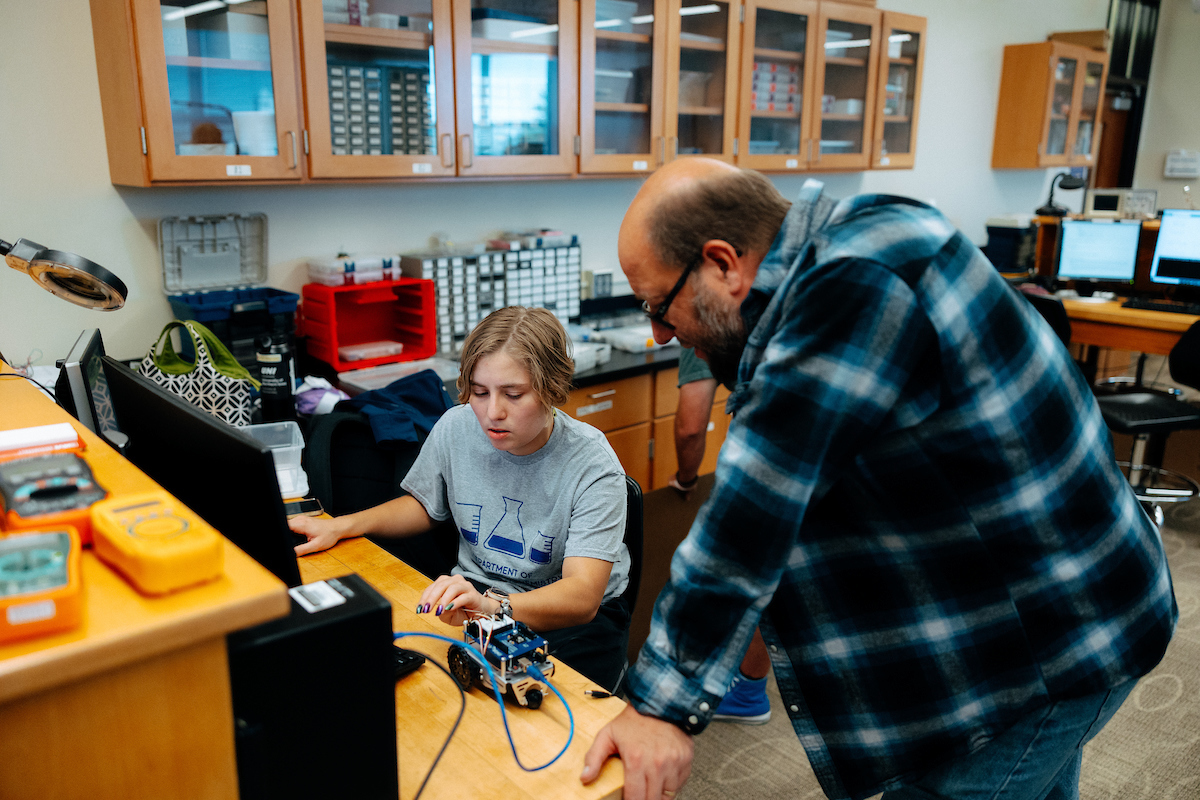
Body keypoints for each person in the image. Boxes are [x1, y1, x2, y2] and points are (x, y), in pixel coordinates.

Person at [580, 159, 1177, 800]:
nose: (659, 333)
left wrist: (658, 708)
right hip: (1054, 611)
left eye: (659, 306)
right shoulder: (873, 226)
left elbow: (750, 515)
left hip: (1051, 643)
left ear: (724, 264)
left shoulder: (849, 289)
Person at [291, 306, 632, 691]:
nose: (492, 413)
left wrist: (492, 608)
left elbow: (582, 596)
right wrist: (341, 525)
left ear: (552, 388)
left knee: (537, 707)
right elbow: (425, 503)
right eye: (480, 392)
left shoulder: (592, 463)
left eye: (514, 394)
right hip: (477, 592)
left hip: (570, 619)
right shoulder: (457, 426)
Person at [671, 346, 772, 725]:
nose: (660, 335)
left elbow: (691, 425)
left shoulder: (702, 313)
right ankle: (749, 686)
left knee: (746, 569)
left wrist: (685, 478)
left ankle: (745, 692)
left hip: (762, 462)